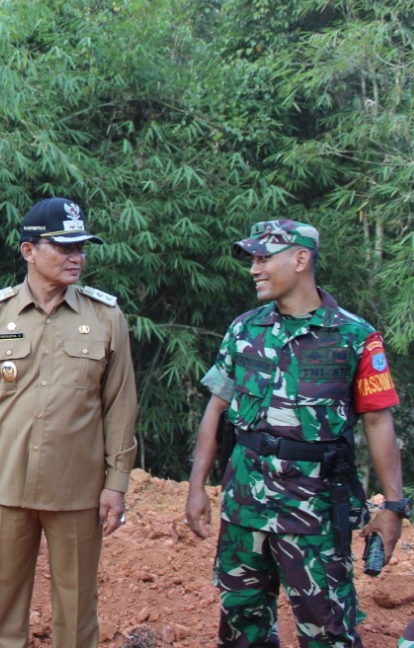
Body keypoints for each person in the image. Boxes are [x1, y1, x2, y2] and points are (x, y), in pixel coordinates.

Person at [184, 219, 407, 648]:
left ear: (301, 259)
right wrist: (196, 487)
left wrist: (393, 505)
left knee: (327, 632)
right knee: (240, 626)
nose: (254, 269)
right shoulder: (244, 329)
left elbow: (379, 420)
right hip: (245, 508)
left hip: (316, 514)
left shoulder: (354, 337)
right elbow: (217, 408)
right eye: (253, 259)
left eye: (264, 258)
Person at [0, 197, 138, 648]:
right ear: (28, 251)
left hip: (76, 490)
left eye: (82, 247)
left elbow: (121, 405)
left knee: (76, 614)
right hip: (5, 486)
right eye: (64, 247)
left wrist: (116, 484)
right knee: (5, 605)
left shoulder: (106, 317)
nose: (77, 257)